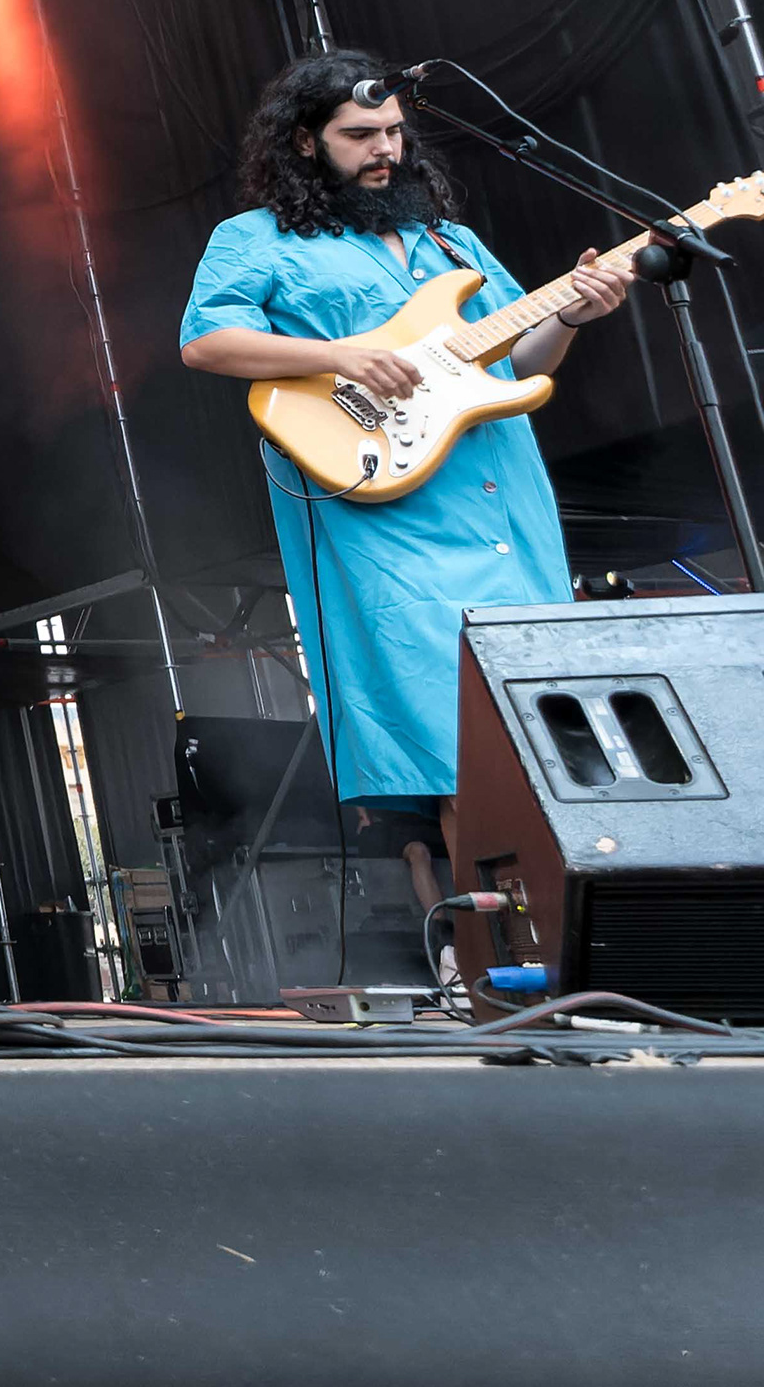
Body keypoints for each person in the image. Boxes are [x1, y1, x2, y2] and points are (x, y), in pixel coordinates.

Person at [179, 49, 629, 923]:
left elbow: (524, 362)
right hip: (387, 511)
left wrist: (574, 312)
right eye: (360, 135)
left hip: (501, 499)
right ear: (305, 142)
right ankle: (504, 951)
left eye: (393, 131)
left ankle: (577, 936)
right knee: (453, 733)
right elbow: (207, 342)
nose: (385, 148)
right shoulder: (255, 239)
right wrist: (339, 355)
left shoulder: (449, 242)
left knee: (542, 725)